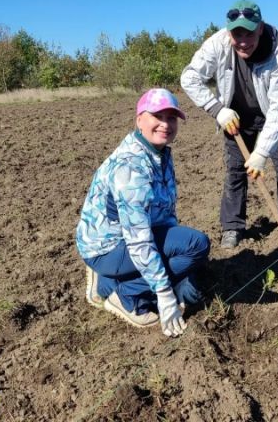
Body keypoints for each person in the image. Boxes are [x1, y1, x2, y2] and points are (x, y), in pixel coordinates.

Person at [180, 0, 278, 261]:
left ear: (260, 29)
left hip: (276, 120)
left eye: (249, 33)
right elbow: (189, 77)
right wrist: (216, 108)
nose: (242, 41)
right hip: (235, 118)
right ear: (228, 31)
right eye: (236, 34)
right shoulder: (217, 44)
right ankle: (232, 227)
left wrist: (261, 153)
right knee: (234, 171)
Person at [76, 88, 210, 336]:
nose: (165, 124)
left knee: (187, 255)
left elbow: (164, 212)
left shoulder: (158, 153)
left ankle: (107, 279)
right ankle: (125, 294)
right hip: (108, 246)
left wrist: (180, 277)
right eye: (157, 116)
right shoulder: (131, 167)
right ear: (139, 120)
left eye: (171, 117)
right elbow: (138, 239)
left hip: (123, 241)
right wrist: (164, 290)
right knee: (196, 245)